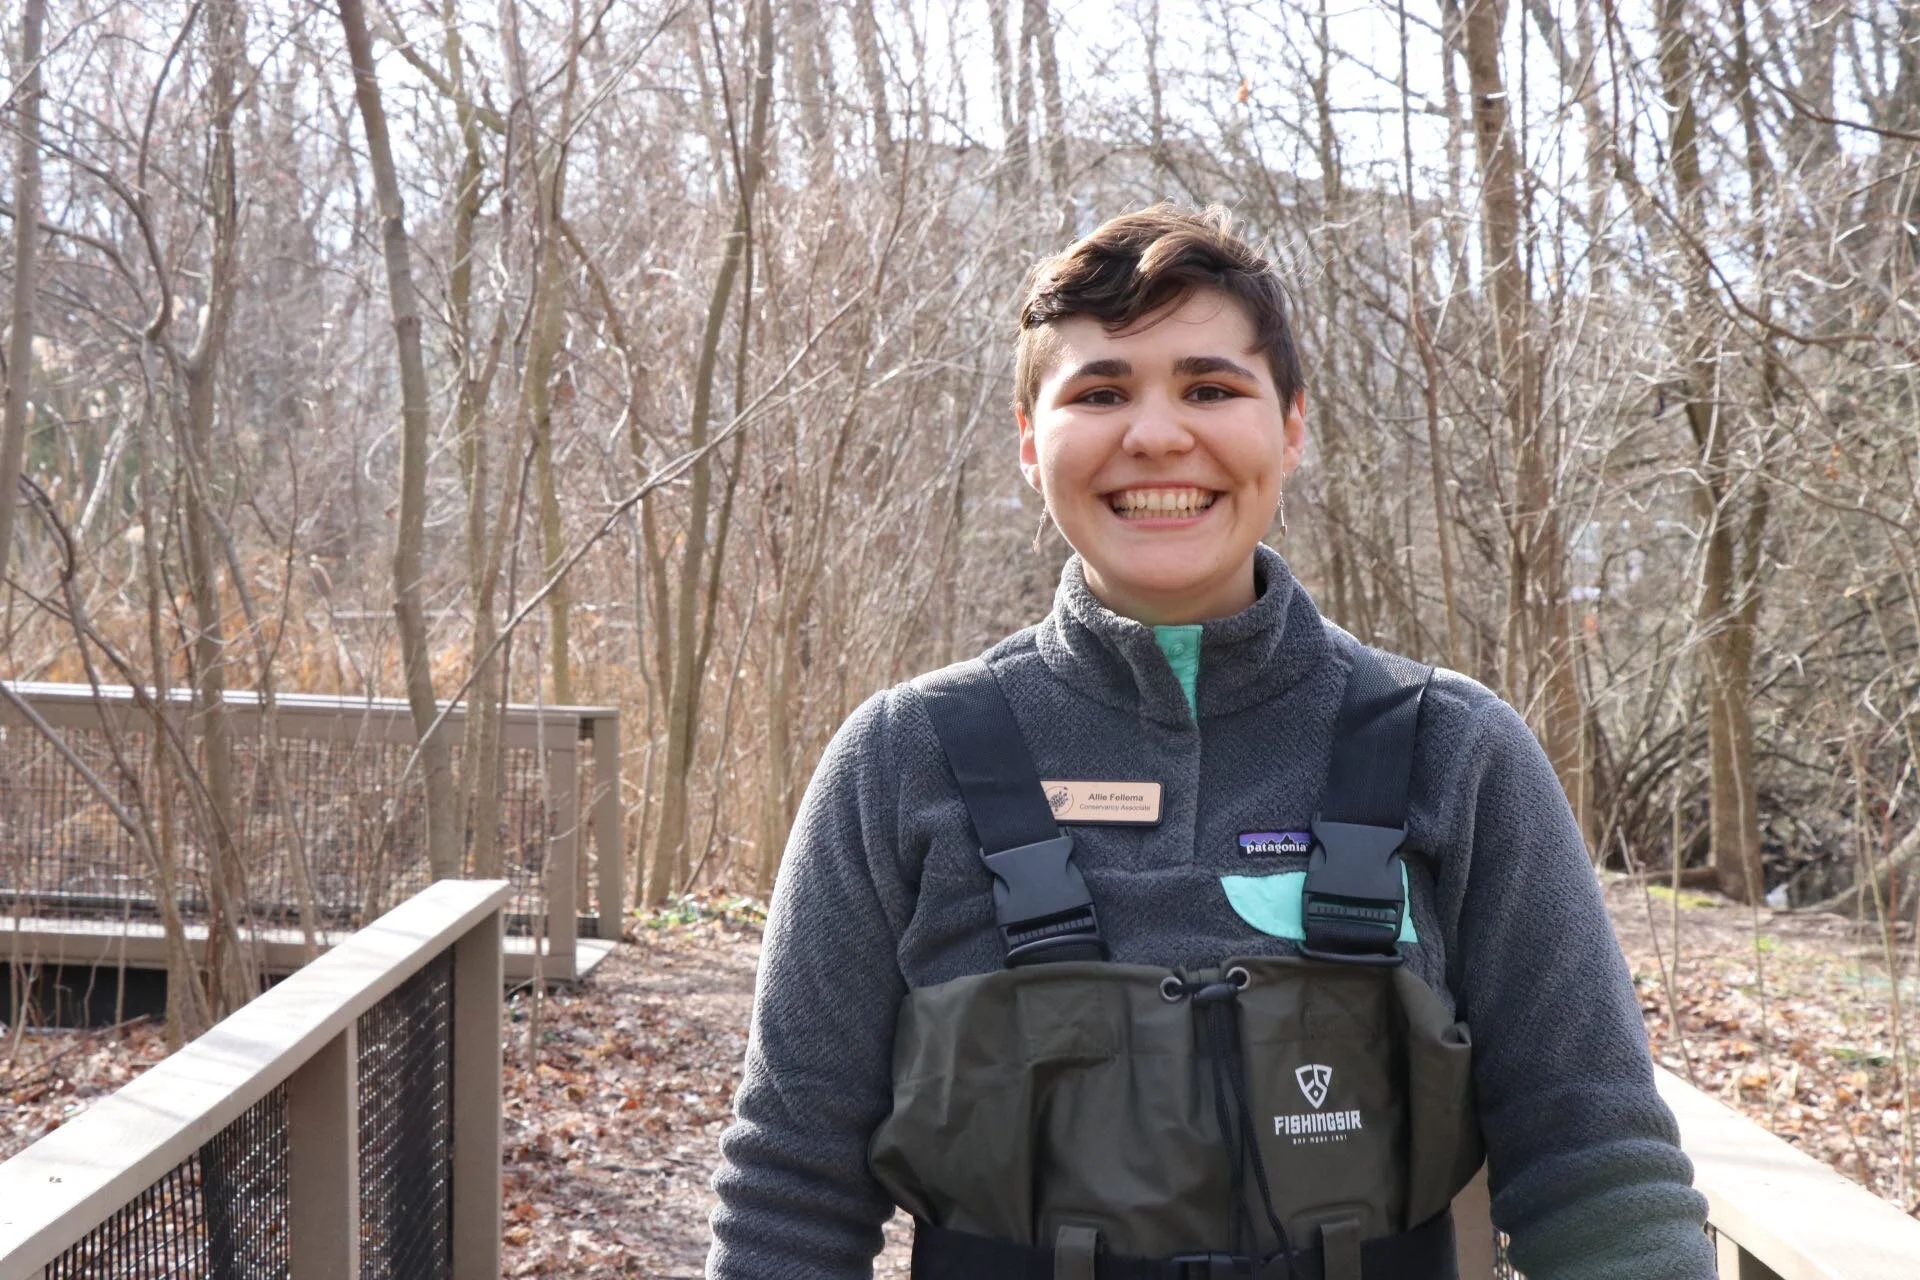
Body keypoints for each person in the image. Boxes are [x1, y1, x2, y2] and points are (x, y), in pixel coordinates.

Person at [707, 204, 1713, 1279]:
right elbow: (790, 1193)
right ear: (1029, 441)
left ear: (1291, 427)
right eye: (1100, 392)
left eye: (1210, 389)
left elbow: (1600, 1168)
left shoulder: (1457, 752)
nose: (1155, 435)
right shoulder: (902, 758)